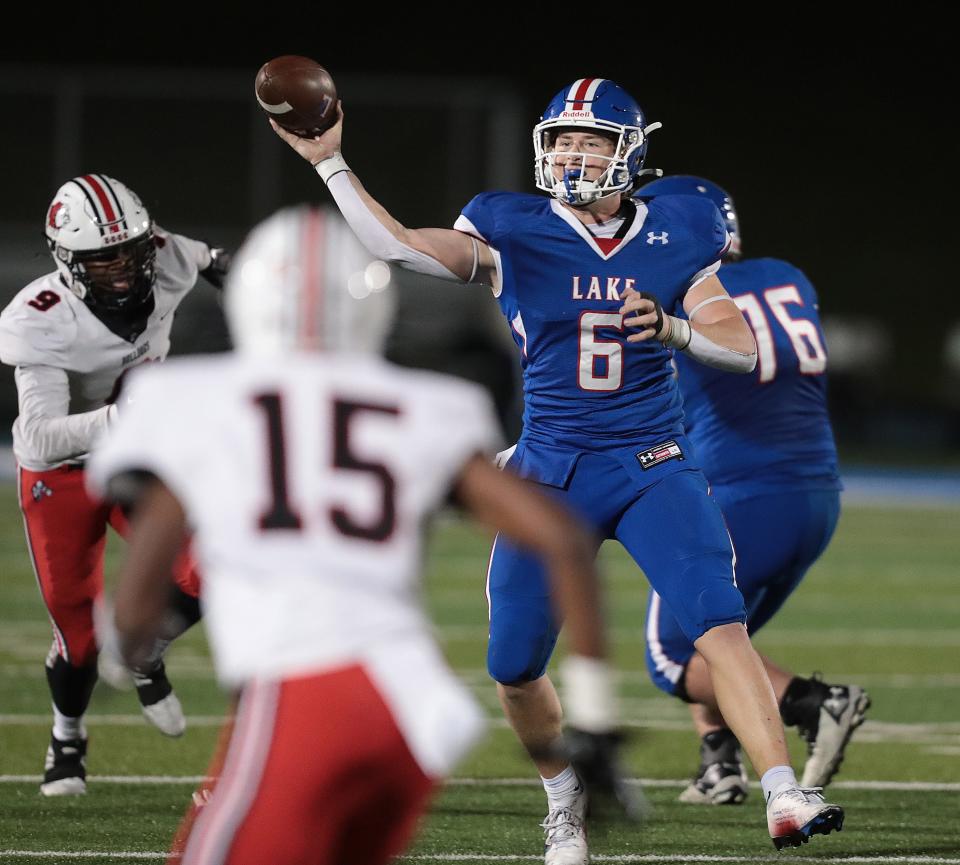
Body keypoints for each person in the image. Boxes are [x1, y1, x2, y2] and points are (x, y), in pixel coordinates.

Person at [269, 78, 845, 856]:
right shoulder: (515, 226)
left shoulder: (679, 228)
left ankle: (784, 793)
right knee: (512, 663)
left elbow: (740, 347)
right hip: (549, 472)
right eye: (563, 140)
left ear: (629, 153)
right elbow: (396, 244)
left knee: (718, 621)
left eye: (592, 141)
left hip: (652, 464)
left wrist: (674, 328)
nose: (573, 155)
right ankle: (563, 797)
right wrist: (332, 164)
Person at [87, 206, 630, 865]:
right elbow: (563, 540)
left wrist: (126, 642)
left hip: (308, 690)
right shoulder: (427, 403)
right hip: (413, 710)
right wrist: (595, 718)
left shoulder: (188, 398)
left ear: (251, 299)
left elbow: (141, 598)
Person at [636, 175, 871, 805]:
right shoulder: (789, 275)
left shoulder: (675, 290)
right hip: (818, 496)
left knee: (670, 654)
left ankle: (816, 702)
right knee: (720, 636)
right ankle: (719, 764)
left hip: (740, 493)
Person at [0, 174, 230, 796]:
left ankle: (144, 647)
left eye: (129, 250)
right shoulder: (38, 319)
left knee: (217, 560)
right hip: (62, 475)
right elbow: (42, 437)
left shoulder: (165, 254)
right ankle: (67, 735)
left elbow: (212, 259)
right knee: (77, 637)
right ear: (68, 261)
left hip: (138, 457)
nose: (122, 267)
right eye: (102, 259)